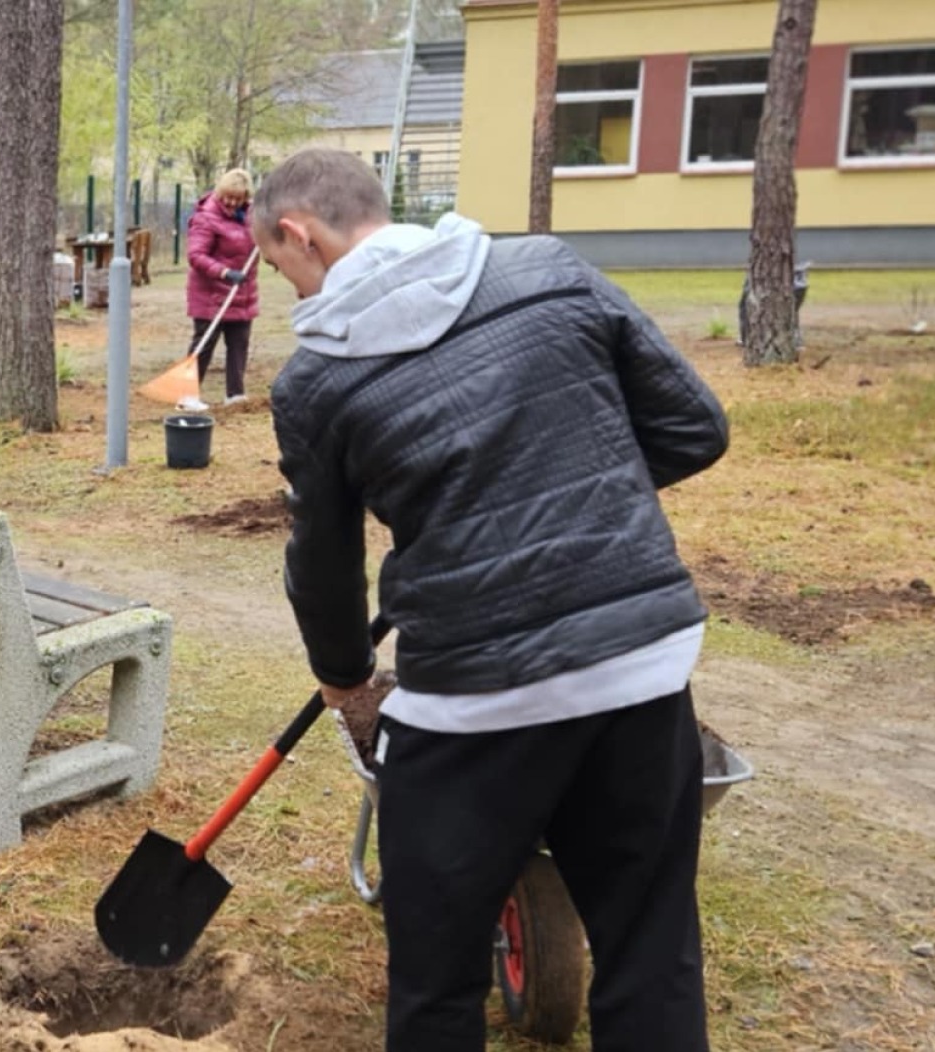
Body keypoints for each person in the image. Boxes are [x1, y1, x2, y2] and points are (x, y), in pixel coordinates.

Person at [251, 149, 729, 1049]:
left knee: (435, 983)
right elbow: (693, 428)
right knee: (650, 948)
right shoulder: (549, 270)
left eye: (282, 272)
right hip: (642, 667)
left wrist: (346, 678)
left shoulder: (314, 383)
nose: (290, 295)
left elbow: (322, 567)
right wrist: (586, 491)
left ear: (297, 234)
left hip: (474, 701)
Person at [180, 168, 262, 412]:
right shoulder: (206, 217)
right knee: (204, 343)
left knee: (239, 343)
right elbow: (196, 256)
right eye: (228, 196)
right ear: (220, 192)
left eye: (238, 198)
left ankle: (235, 394)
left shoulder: (251, 217)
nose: (232, 202)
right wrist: (225, 272)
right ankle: (187, 394)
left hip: (242, 293)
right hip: (211, 294)